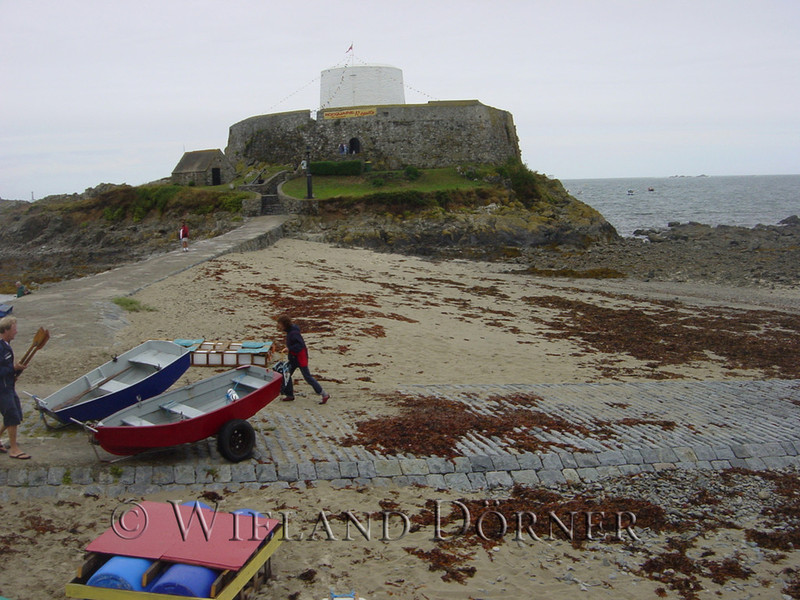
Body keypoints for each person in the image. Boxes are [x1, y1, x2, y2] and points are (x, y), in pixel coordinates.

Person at [277, 314, 329, 404]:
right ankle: (289, 395)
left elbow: (300, 345)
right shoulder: (291, 331)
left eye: (280, 324)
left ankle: (324, 394)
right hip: (293, 358)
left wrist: (290, 349)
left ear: (284, 324)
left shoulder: (293, 333)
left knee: (307, 377)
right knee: (286, 374)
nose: (279, 326)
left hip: (300, 358)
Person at [0, 316, 30, 459]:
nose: (16, 332)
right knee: (11, 416)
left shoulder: (6, 345)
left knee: (15, 413)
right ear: (6, 330)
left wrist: (13, 374)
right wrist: (13, 368)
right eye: (14, 329)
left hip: (8, 385)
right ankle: (14, 449)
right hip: (2, 388)